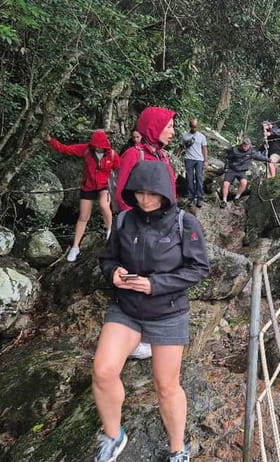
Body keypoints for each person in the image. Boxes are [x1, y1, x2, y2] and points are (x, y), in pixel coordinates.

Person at [95, 160, 209, 462]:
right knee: (103, 371)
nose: (145, 199)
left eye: (152, 193)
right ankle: (113, 435)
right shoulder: (122, 221)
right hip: (126, 308)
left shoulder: (186, 223)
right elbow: (107, 259)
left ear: (165, 192)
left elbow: (199, 269)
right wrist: (114, 273)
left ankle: (177, 449)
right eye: (139, 193)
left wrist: (155, 284)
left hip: (168, 311)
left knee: (166, 385)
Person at [47, 130, 120, 262]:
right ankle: (75, 247)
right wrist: (50, 140)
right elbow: (65, 149)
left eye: (101, 145)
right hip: (89, 186)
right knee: (83, 217)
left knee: (104, 205)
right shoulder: (86, 150)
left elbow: (119, 170)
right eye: (96, 145)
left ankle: (110, 231)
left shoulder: (112, 155)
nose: (98, 148)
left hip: (105, 186)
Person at [114, 107, 178, 213]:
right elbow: (121, 194)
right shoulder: (133, 154)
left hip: (161, 222)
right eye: (169, 127)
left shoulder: (163, 157)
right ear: (154, 127)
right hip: (139, 223)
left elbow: (171, 193)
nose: (173, 132)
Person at [220, 138, 269, 208]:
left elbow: (259, 157)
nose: (245, 147)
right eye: (244, 145)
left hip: (241, 171)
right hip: (232, 170)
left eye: (247, 146)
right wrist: (226, 168)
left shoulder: (251, 152)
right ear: (242, 144)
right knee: (225, 184)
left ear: (249, 146)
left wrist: (269, 160)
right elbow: (228, 159)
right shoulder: (235, 150)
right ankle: (224, 200)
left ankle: (237, 198)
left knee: (244, 182)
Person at [179, 119, 208, 208]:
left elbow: (204, 149)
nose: (194, 128)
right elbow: (181, 147)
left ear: (197, 126)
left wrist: (206, 161)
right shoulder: (185, 136)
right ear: (190, 126)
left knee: (199, 178)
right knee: (189, 179)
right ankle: (190, 199)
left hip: (199, 160)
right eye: (192, 126)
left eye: (195, 126)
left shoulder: (202, 136)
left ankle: (199, 199)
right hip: (189, 159)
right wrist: (177, 157)